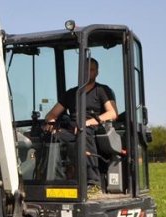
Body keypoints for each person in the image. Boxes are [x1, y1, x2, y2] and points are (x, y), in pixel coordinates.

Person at [43, 58, 117, 190]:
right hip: (72, 130)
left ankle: (93, 183)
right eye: (85, 70)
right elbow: (52, 114)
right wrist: (51, 122)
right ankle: (56, 180)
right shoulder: (71, 93)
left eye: (92, 70)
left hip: (93, 129)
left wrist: (87, 122)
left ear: (97, 72)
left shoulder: (102, 90)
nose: (88, 73)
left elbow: (112, 113)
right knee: (53, 136)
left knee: (84, 133)